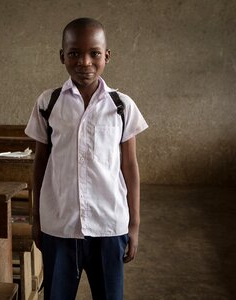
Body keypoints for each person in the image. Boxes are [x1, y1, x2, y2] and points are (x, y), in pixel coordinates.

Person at [25, 17, 148, 300]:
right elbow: (41, 162)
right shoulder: (48, 102)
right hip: (60, 225)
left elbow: (130, 167)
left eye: (94, 53)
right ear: (62, 56)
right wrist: (36, 218)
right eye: (74, 54)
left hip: (109, 225)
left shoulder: (121, 105)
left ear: (107, 56)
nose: (85, 62)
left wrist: (134, 226)